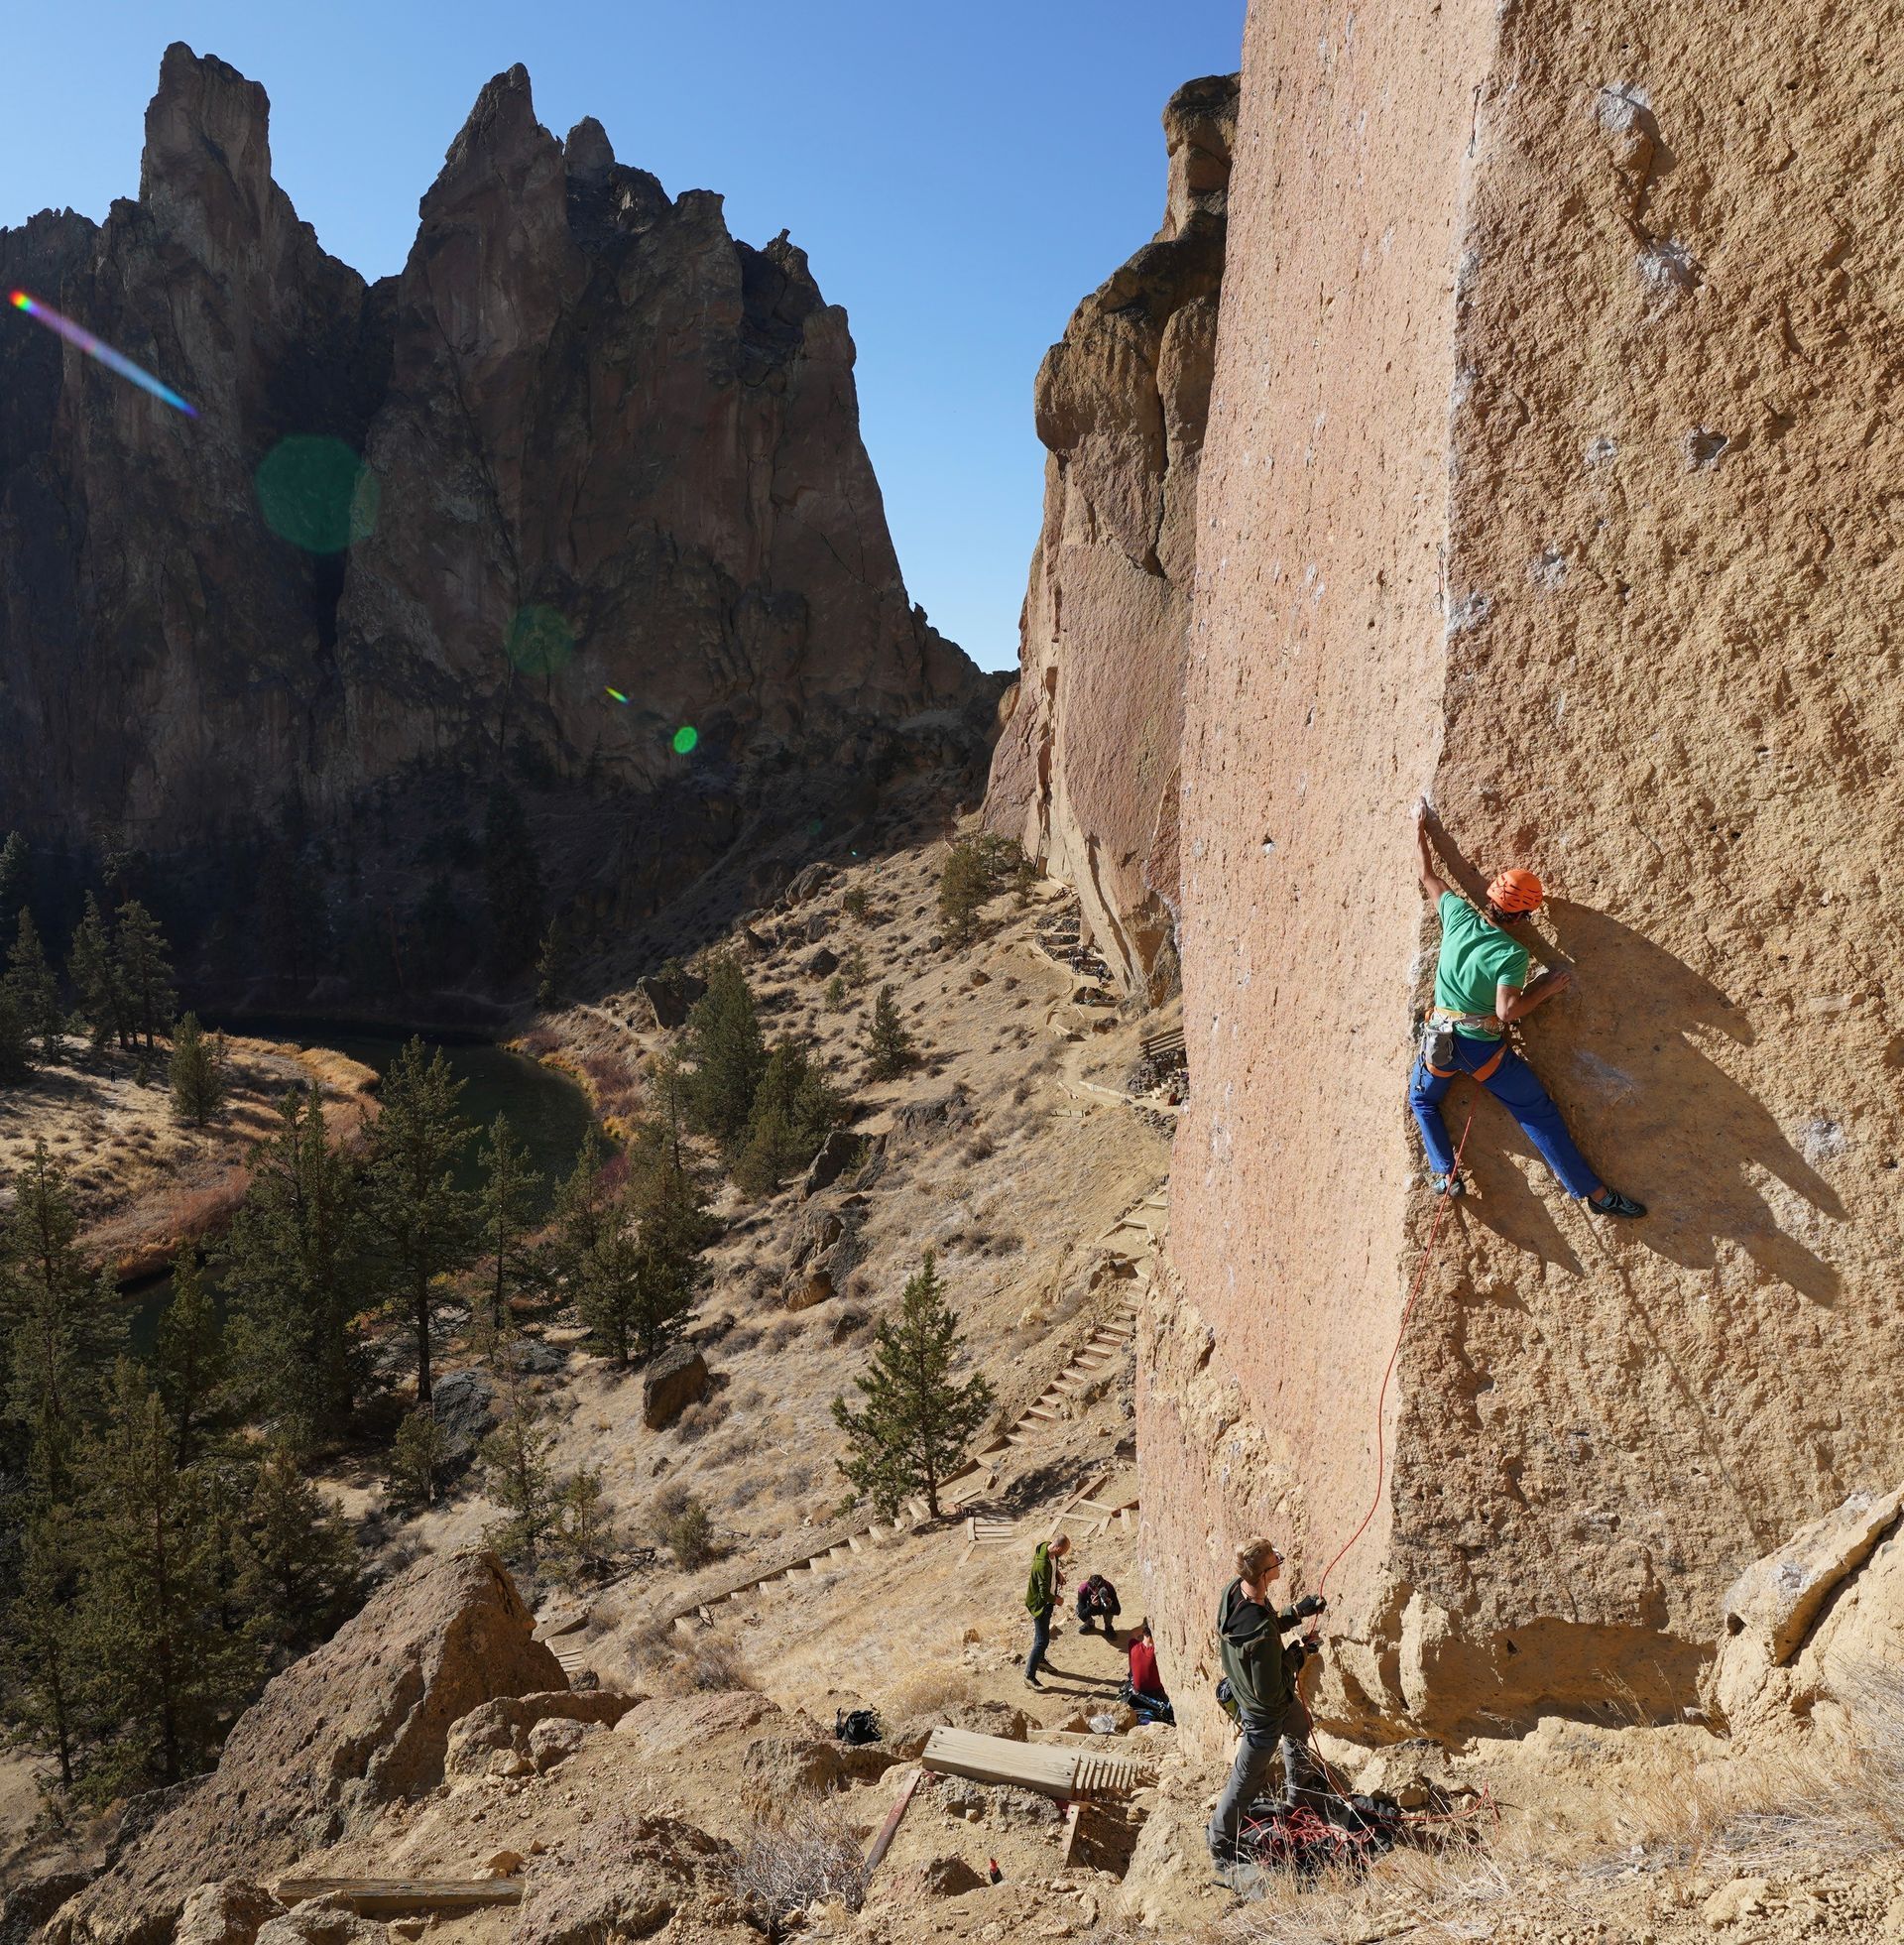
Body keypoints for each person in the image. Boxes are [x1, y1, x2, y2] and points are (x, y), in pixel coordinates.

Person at [1409, 803, 1645, 1217]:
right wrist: (1547, 987)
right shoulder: (1512, 954)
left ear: (1490, 896)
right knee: (1537, 1114)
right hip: (1482, 1052)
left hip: (1440, 1043)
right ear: (1522, 916)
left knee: (1423, 1101)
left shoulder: (1458, 916)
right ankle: (1596, 1195)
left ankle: (1445, 1174)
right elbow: (1507, 1012)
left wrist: (1420, 827)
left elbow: (1428, 875)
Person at [1207, 1536, 1327, 1876]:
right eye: (1276, 1560)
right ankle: (1220, 1844)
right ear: (1265, 1572)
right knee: (1245, 1781)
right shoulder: (1259, 1632)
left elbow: (1265, 1622)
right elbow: (1270, 1690)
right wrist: (1300, 1653)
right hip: (1262, 1716)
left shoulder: (1236, 1591)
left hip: (1255, 1696)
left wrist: (1297, 1613)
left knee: (1301, 1723)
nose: (1279, 1562)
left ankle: (1299, 1798)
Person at [1022, 1532, 1070, 1689]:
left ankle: (1040, 1661)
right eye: (1062, 1552)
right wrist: (1058, 1600)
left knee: (1041, 1638)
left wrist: (1058, 1574)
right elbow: (1044, 1594)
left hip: (1046, 1603)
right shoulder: (1042, 1564)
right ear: (1056, 1547)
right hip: (1040, 1604)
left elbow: (1053, 1564)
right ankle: (1029, 1676)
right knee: (1042, 1640)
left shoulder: (1047, 1547)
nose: (1062, 1555)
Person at [1125, 1620, 1174, 1726]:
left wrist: (1143, 1627)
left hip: (1137, 1694)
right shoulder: (1156, 1652)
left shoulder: (1133, 1646)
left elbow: (1132, 1633)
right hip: (1155, 1695)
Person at [1075, 1572, 1121, 1637]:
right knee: (1078, 1609)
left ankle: (1108, 1626)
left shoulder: (1109, 1587)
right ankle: (1090, 1623)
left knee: (1110, 1606)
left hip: (1104, 1608)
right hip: (1091, 1607)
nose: (1098, 1593)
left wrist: (1109, 1605)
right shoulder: (1083, 1589)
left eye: (1099, 1589)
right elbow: (1082, 1616)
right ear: (1089, 1587)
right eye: (1095, 1590)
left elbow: (1118, 1611)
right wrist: (1092, 1606)